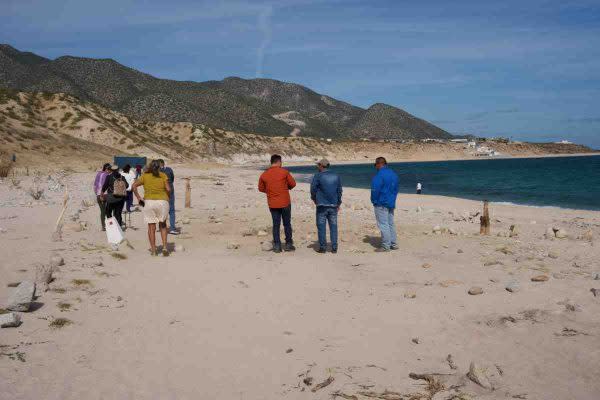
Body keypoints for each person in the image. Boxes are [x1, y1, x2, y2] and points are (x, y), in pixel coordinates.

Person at [258, 154, 297, 253]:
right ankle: (288, 244)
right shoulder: (284, 172)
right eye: (281, 162)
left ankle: (277, 246)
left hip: (273, 203)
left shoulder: (264, 174)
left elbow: (261, 188)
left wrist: (271, 190)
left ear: (271, 162)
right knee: (287, 223)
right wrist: (284, 188)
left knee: (276, 225)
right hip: (285, 202)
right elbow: (293, 184)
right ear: (279, 162)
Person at [132, 160, 171, 257]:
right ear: (159, 167)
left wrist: (139, 198)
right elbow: (168, 189)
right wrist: (168, 198)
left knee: (151, 227)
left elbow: (134, 186)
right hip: (162, 202)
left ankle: (153, 250)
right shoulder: (163, 175)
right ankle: (165, 247)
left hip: (149, 202)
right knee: (163, 225)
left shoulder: (145, 176)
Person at [310, 158, 342, 253]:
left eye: (318, 165)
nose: (317, 166)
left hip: (321, 205)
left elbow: (313, 189)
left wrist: (314, 199)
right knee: (333, 226)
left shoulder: (318, 176)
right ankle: (334, 247)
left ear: (321, 166)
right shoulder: (336, 176)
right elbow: (339, 191)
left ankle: (323, 247)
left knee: (321, 226)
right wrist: (338, 202)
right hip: (333, 205)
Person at [370, 157, 399, 252]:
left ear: (379, 164)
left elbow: (375, 189)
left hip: (381, 202)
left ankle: (386, 245)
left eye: (375, 165)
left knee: (383, 224)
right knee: (390, 223)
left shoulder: (379, 175)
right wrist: (393, 199)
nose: (375, 167)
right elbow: (396, 189)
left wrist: (374, 200)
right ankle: (393, 243)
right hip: (390, 201)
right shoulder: (394, 174)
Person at [158, 159, 178, 235]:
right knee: (171, 210)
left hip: (161, 192)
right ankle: (172, 228)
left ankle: (162, 227)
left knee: (161, 210)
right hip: (170, 191)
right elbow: (172, 179)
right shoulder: (169, 170)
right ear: (163, 163)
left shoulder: (157, 172)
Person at [93, 163, 111, 231]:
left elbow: (95, 185)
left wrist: (97, 193)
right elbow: (105, 186)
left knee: (102, 211)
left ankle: (104, 226)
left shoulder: (98, 174)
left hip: (98, 194)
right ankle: (108, 225)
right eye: (110, 169)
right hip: (104, 195)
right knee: (106, 211)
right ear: (107, 169)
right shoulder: (107, 175)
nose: (110, 171)